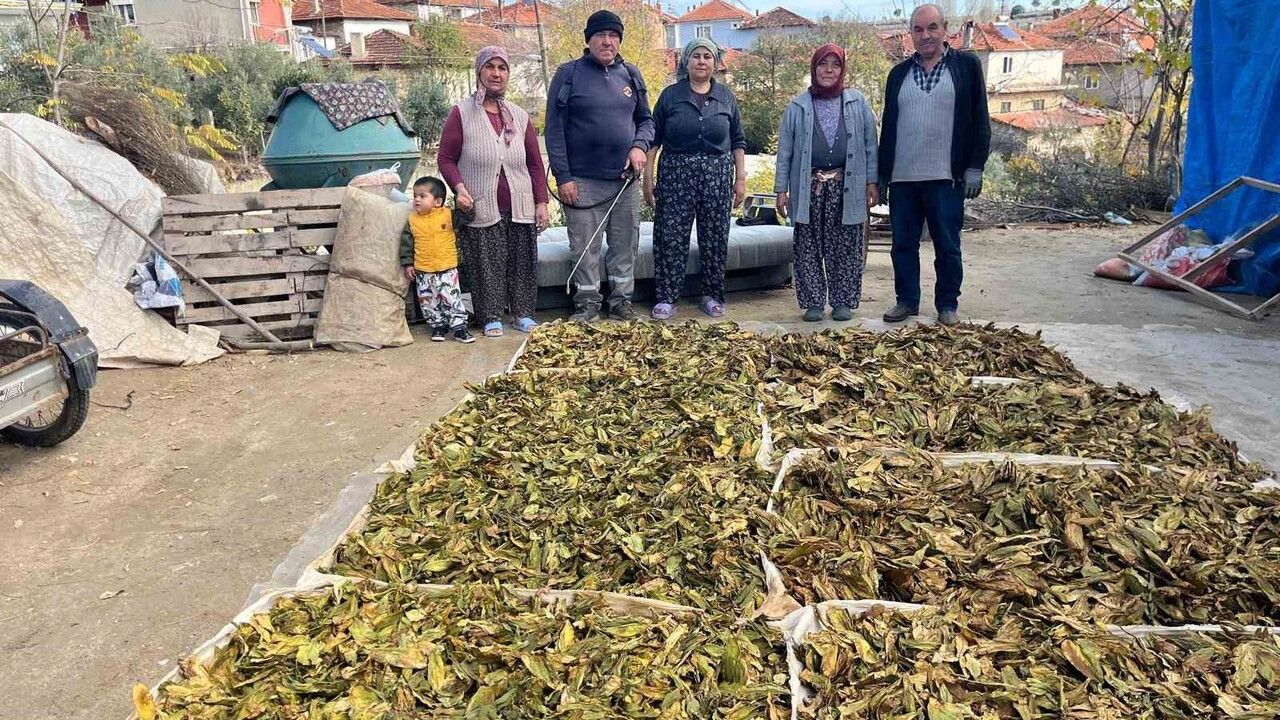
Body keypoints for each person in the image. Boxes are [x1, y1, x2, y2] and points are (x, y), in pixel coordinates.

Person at [878, 3, 991, 326]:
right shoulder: (898, 74)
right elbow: (889, 127)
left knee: (947, 245)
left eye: (931, 28)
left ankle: (947, 305)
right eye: (918, 29)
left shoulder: (966, 67)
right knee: (902, 244)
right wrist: (884, 175)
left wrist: (975, 166)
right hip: (903, 178)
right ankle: (907, 301)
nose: (925, 35)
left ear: (945, 30)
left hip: (946, 176)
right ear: (911, 34)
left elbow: (980, 121)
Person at [544, 10, 655, 322]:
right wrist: (564, 176)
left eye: (614, 36)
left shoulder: (631, 75)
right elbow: (553, 130)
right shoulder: (569, 74)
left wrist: (638, 146)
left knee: (625, 245)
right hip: (581, 181)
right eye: (601, 35)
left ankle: (621, 302)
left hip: (625, 182)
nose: (608, 41)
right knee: (584, 248)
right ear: (589, 40)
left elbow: (646, 121)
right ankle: (588, 304)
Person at [438, 45, 550, 338]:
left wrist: (541, 202)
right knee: (485, 261)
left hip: (519, 202)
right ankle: (490, 316)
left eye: (502, 68)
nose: (496, 74)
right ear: (479, 72)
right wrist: (459, 188)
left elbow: (535, 164)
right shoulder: (461, 113)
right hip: (480, 202)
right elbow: (446, 159)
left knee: (522, 260)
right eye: (490, 67)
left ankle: (523, 313)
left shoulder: (520, 115)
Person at [774, 44, 880, 323]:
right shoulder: (798, 106)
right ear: (814, 68)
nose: (829, 70)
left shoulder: (857, 103)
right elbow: (784, 151)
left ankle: (843, 301)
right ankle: (813, 303)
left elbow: (870, 145)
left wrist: (872, 181)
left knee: (845, 245)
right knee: (808, 245)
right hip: (809, 187)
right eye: (823, 64)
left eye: (835, 64)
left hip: (846, 186)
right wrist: (781, 190)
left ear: (843, 69)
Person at [643, 37, 747, 320]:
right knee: (670, 237)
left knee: (715, 236)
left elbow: (738, 140)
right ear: (686, 61)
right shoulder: (670, 96)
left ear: (715, 63)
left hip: (717, 175)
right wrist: (648, 179)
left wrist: (740, 180)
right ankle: (666, 297)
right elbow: (653, 142)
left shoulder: (726, 97)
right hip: (676, 175)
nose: (702, 61)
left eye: (708, 57)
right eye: (696, 56)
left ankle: (712, 295)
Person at [399, 177, 475, 343]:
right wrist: (408, 263)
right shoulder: (412, 220)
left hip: (447, 269)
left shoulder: (448, 215)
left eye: (422, 196)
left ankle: (460, 328)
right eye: (415, 196)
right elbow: (406, 243)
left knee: (452, 299)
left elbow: (467, 218)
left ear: (437, 201)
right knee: (428, 302)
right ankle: (437, 326)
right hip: (423, 271)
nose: (416, 199)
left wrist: (467, 208)